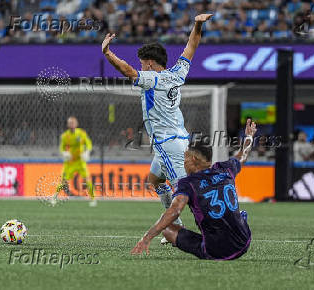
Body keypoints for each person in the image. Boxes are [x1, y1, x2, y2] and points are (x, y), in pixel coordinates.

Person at [102, 14, 213, 243]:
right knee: (155, 180)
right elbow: (191, 45)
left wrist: (107, 53)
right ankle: (176, 225)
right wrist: (198, 24)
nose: (141, 66)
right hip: (178, 139)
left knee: (187, 192)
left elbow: (128, 72)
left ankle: (214, 228)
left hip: (167, 143)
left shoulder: (153, 78)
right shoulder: (177, 73)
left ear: (150, 64)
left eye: (143, 63)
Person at [131, 119, 256, 260]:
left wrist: (147, 237)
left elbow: (174, 211)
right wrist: (249, 136)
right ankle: (239, 219)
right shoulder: (226, 168)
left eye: (185, 157)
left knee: (167, 230)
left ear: (194, 159)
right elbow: (242, 156)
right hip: (244, 242)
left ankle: (216, 233)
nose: (184, 162)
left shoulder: (188, 183)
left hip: (215, 251)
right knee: (232, 215)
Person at [55, 116, 96, 207]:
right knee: (63, 181)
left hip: (80, 162)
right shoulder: (65, 136)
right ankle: (54, 197)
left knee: (87, 180)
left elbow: (88, 143)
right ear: (68, 125)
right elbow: (61, 147)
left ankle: (93, 199)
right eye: (70, 123)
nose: (72, 124)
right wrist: (64, 153)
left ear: (76, 124)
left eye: (73, 123)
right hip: (70, 162)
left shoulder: (81, 133)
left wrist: (87, 151)